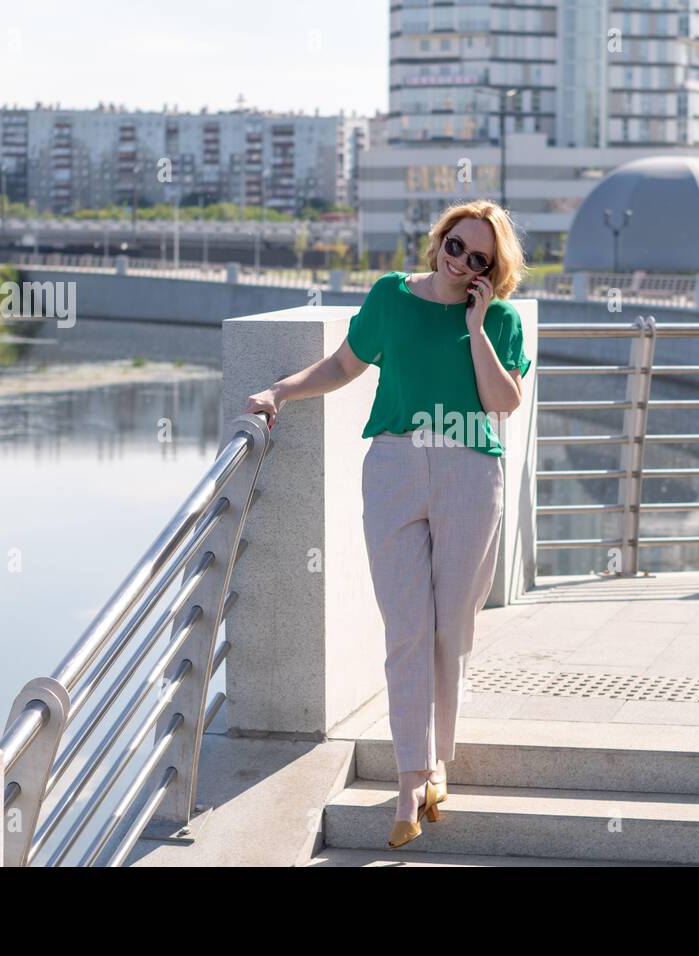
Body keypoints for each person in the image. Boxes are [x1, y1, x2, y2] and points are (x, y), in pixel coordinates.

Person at [243, 198, 532, 848]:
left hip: (469, 470)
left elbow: (502, 404)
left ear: (491, 270)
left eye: (478, 258)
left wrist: (478, 326)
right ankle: (411, 781)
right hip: (397, 467)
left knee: (449, 630)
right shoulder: (389, 298)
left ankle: (438, 768)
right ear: (439, 241)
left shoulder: (500, 318)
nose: (461, 261)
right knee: (406, 629)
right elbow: (345, 365)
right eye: (455, 245)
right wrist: (281, 392)